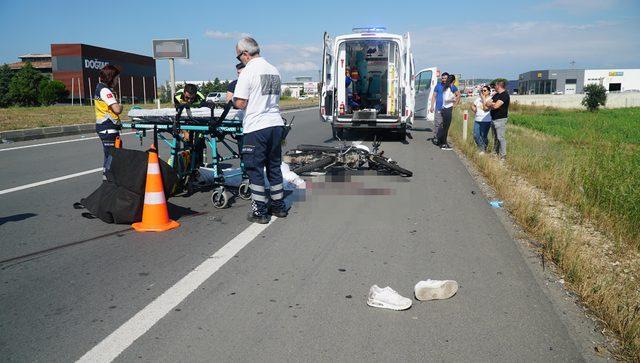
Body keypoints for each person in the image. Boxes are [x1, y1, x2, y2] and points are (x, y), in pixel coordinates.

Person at [233, 37, 287, 224]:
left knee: (254, 169)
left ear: (245, 54)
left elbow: (240, 103)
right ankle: (279, 207)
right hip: (275, 124)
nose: (240, 60)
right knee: (273, 166)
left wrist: (232, 100)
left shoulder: (249, 71)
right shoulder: (274, 70)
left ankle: (260, 211)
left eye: (239, 57)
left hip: (257, 127)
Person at [94, 65, 123, 178]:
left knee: (110, 155)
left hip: (105, 127)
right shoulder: (105, 90)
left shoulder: (100, 88)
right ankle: (108, 178)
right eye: (117, 78)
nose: (117, 80)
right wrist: (121, 106)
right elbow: (116, 109)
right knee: (112, 156)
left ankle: (108, 177)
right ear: (111, 77)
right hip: (108, 128)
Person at [430, 72, 460, 146]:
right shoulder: (438, 86)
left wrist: (455, 105)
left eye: (445, 78)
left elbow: (458, 95)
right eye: (442, 78)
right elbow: (434, 96)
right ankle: (437, 137)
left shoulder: (452, 86)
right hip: (439, 108)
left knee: (445, 125)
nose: (443, 79)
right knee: (438, 123)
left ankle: (442, 139)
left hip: (447, 109)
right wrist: (432, 106)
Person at [486, 79, 510, 160]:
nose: (494, 87)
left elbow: (495, 106)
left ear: (499, 86)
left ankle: (503, 156)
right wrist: (494, 104)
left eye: (495, 85)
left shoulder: (504, 95)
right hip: (494, 118)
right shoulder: (496, 95)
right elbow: (487, 103)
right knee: (495, 138)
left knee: (500, 138)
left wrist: (493, 105)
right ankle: (495, 153)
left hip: (500, 119)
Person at [471, 85, 492, 153]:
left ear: (489, 92)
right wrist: (474, 109)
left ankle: (483, 149)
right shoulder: (478, 99)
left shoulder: (490, 99)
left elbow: (486, 109)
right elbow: (472, 105)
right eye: (482, 90)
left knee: (483, 136)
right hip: (477, 120)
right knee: (475, 135)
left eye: (485, 90)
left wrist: (483, 99)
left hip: (486, 121)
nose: (483, 92)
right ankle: (480, 147)